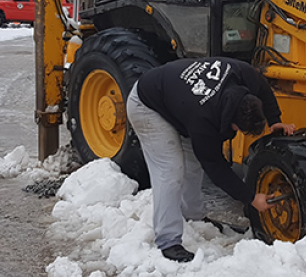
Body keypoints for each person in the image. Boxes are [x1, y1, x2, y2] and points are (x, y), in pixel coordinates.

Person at [125, 57, 295, 263]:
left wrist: (275, 121)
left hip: (175, 98)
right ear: (231, 122)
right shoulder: (203, 120)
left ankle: (193, 216)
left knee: (193, 164)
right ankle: (168, 241)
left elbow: (264, 90)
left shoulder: (245, 75)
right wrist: (251, 198)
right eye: (238, 129)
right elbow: (216, 168)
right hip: (147, 106)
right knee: (170, 170)